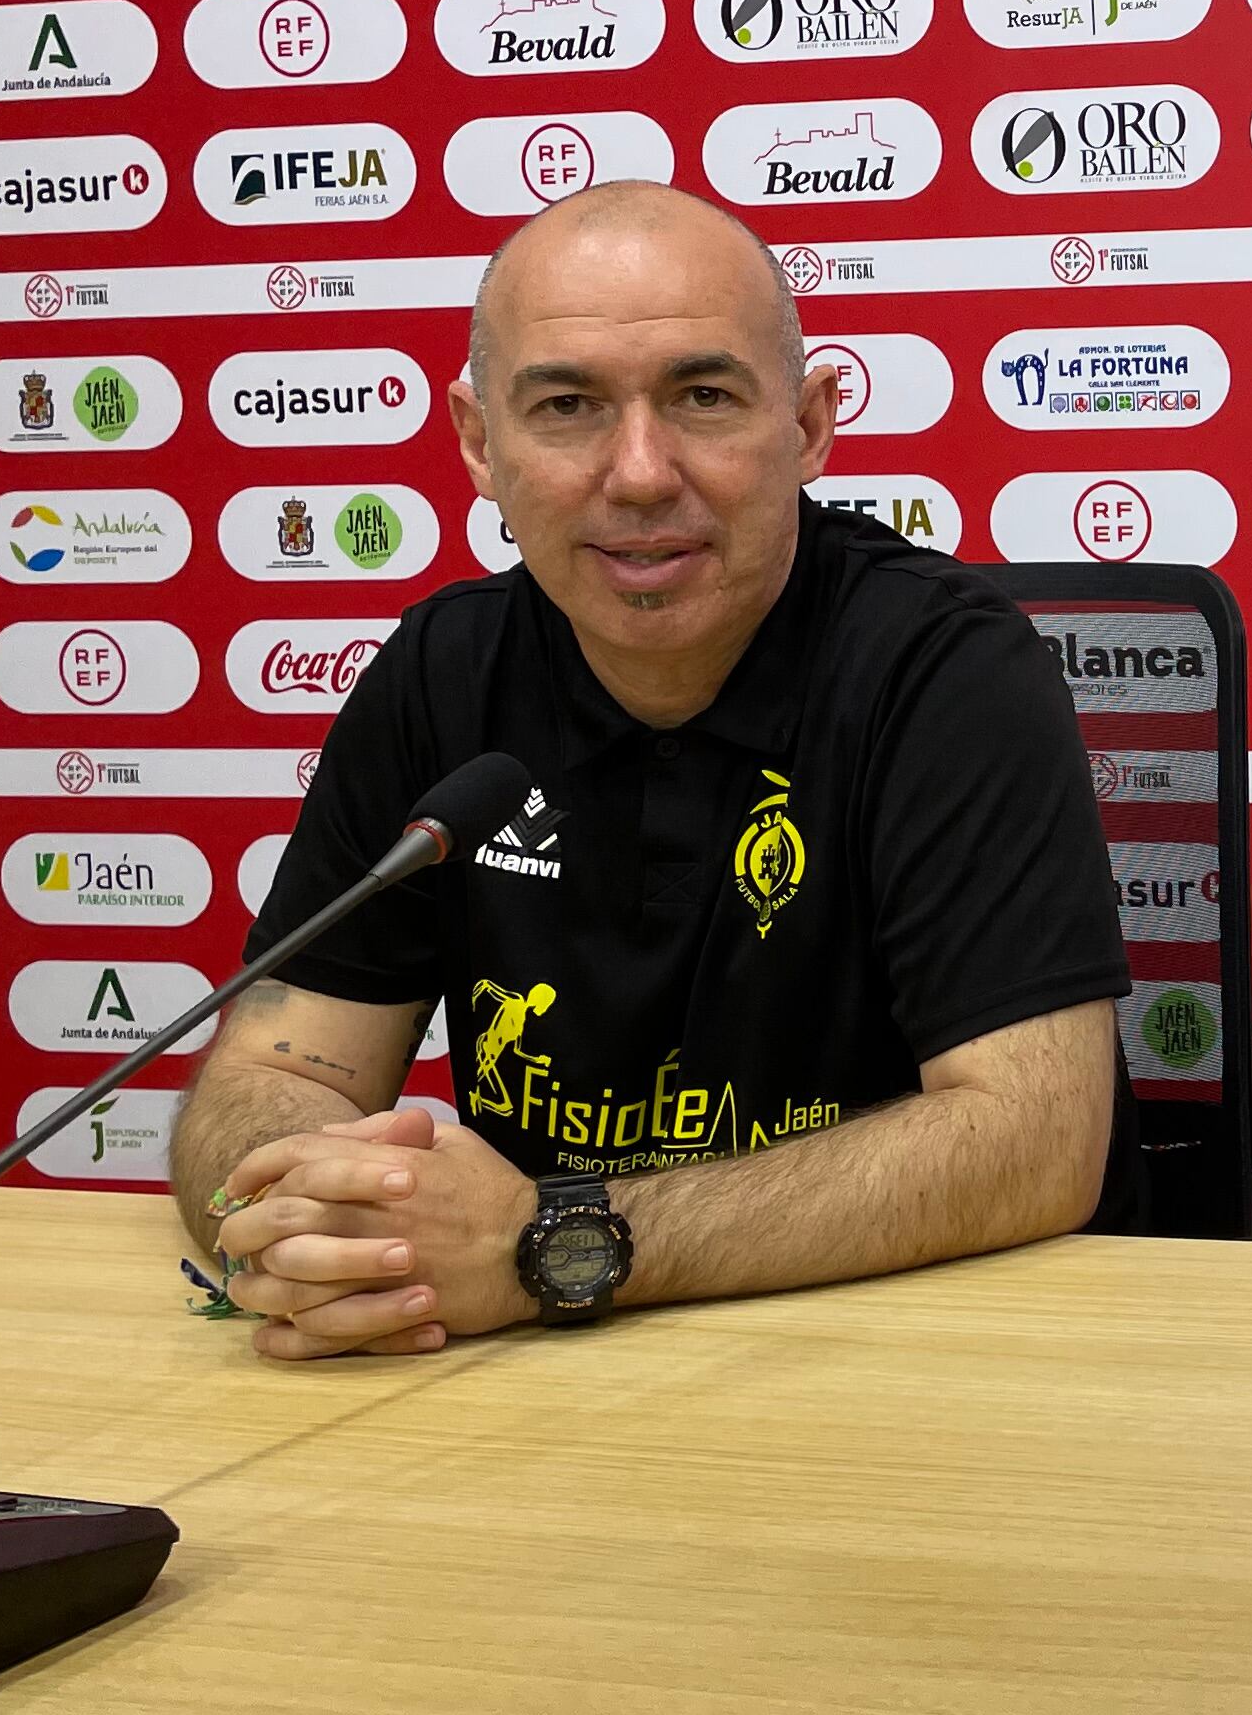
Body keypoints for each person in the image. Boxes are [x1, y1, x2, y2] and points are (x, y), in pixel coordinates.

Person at [172, 183, 1135, 1358]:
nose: (638, 472)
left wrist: (550, 1244)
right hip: (513, 1371)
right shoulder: (441, 673)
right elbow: (273, 1073)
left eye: (704, 396)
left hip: (889, 1359)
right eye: (569, 405)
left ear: (811, 425)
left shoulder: (947, 669)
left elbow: (1031, 1140)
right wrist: (313, 1226)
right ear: (482, 444)